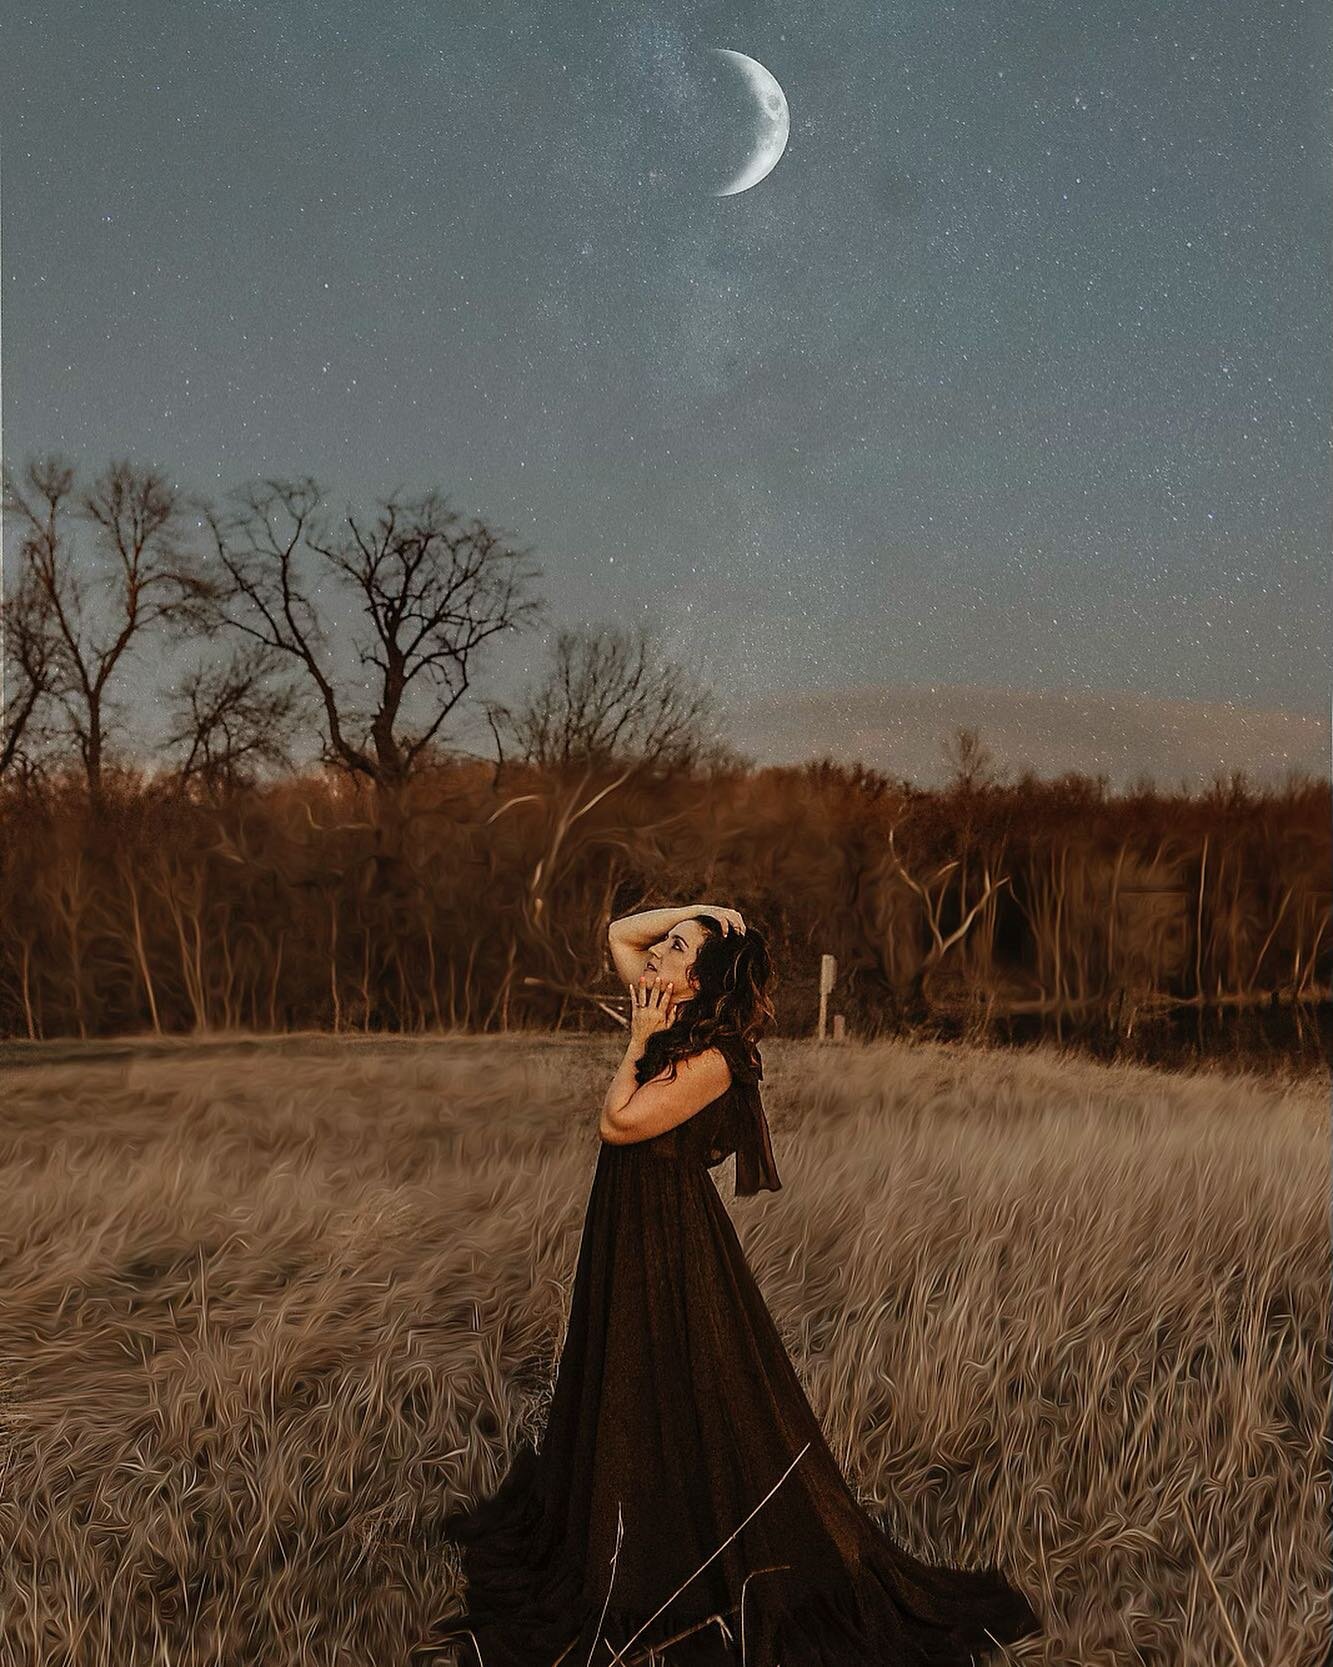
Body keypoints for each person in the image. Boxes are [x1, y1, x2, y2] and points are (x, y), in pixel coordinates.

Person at [415, 904, 1041, 1665]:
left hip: (671, 1243)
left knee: (687, 1387)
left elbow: (617, 1122)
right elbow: (619, 932)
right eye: (665, 947)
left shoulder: (711, 1058)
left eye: (673, 949)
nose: (653, 956)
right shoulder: (668, 1006)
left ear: (699, 979)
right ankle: (621, 1510)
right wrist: (699, 912)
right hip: (625, 1228)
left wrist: (638, 1040)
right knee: (621, 1374)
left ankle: (676, 1548)